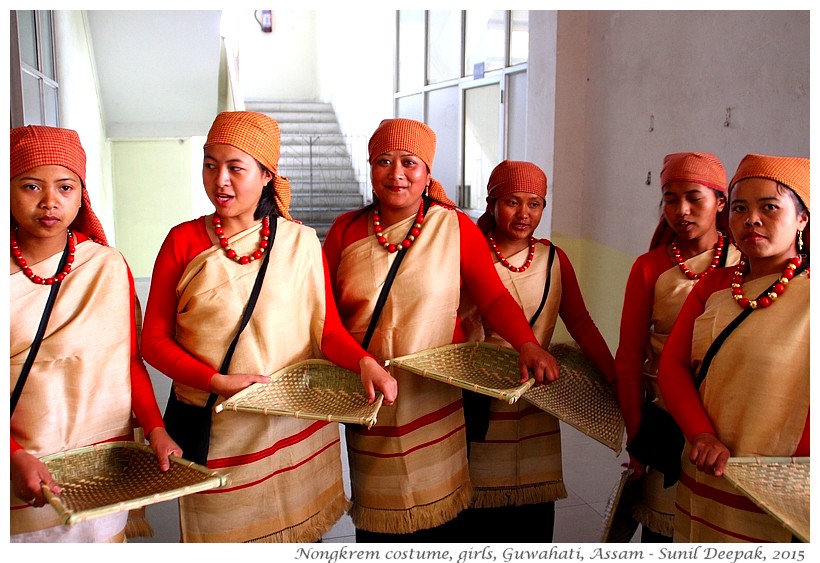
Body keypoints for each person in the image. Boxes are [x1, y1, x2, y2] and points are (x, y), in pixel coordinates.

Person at [140, 111, 397, 543]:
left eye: (235, 168)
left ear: (265, 176)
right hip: (220, 431)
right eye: (209, 164)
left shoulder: (298, 242)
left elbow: (327, 331)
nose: (219, 180)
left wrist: (364, 363)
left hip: (293, 426)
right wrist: (216, 381)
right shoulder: (181, 241)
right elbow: (153, 342)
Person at [323, 118, 559, 542]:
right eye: (384, 161)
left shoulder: (454, 228)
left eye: (409, 162)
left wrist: (527, 343)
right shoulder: (345, 230)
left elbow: (493, 299)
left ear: (428, 172)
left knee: (444, 518)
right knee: (381, 521)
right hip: (370, 392)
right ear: (371, 167)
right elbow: (326, 318)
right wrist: (358, 362)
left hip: (439, 395)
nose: (396, 173)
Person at [9, 125, 179, 543]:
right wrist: (12, 456)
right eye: (31, 186)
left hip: (100, 475)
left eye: (65, 187)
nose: (50, 202)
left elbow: (126, 363)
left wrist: (156, 429)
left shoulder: (104, 266)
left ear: (80, 194)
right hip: (19, 476)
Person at [458, 160, 616, 542]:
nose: (524, 213)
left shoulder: (554, 260)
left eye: (535, 203)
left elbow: (580, 323)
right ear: (491, 202)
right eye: (513, 201)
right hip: (477, 400)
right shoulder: (469, 254)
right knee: (476, 513)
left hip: (538, 401)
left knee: (532, 516)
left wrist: (614, 376)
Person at [658, 154, 809, 543]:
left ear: (802, 219)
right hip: (705, 472)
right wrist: (701, 435)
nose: (751, 219)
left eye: (769, 207)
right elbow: (673, 365)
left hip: (780, 491)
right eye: (741, 208)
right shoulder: (714, 286)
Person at [614, 152, 740, 541]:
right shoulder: (649, 267)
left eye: (694, 198)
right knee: (664, 530)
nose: (681, 210)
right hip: (666, 420)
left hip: (731, 424)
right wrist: (636, 439)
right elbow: (630, 359)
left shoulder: (746, 262)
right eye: (670, 199)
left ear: (720, 202)